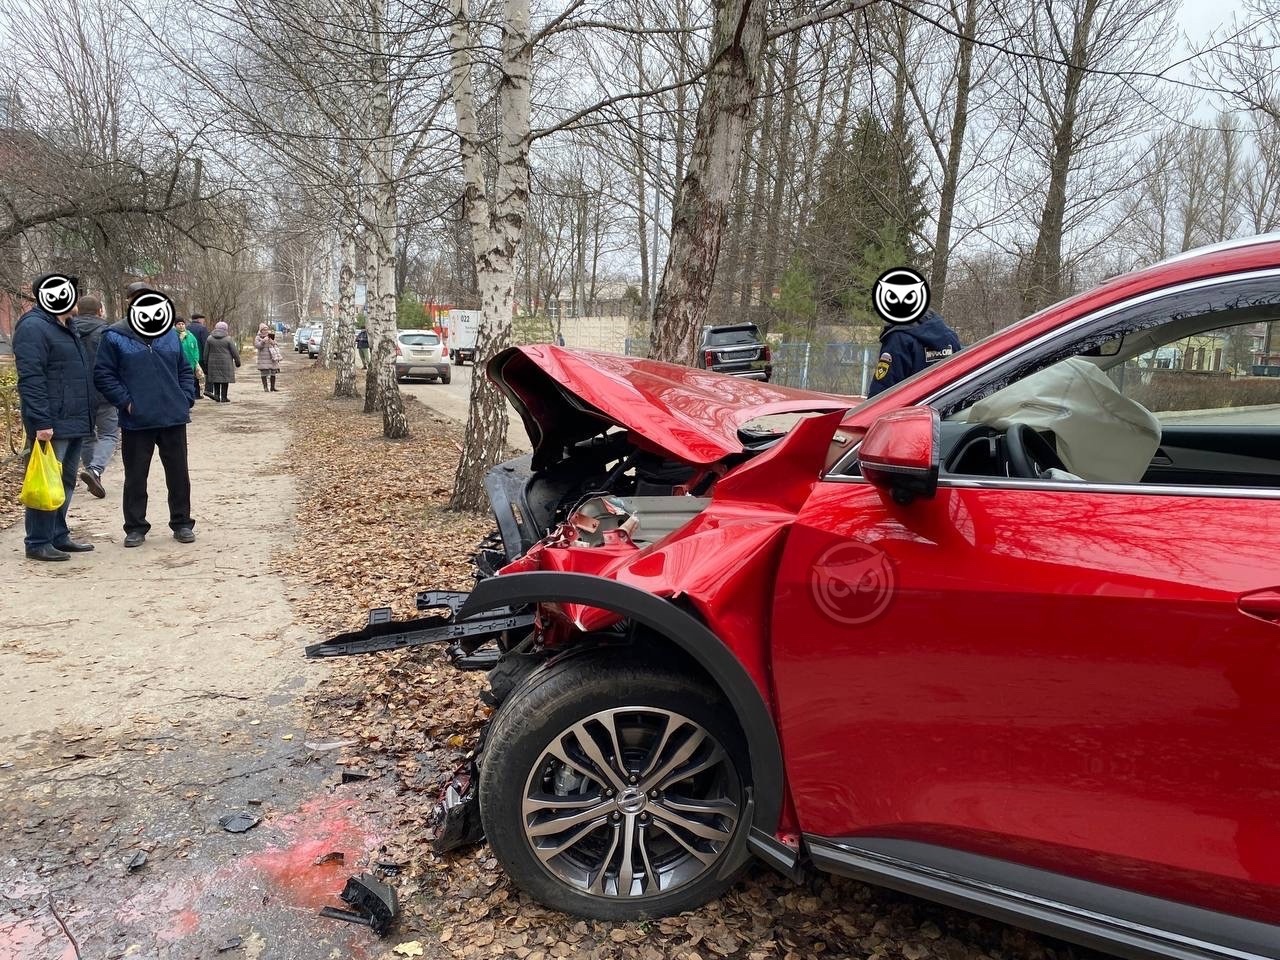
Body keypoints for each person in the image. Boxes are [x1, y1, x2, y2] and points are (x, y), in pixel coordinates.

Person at [94, 285, 198, 547]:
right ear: (129, 303)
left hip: (173, 417)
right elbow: (103, 374)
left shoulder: (169, 334)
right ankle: (135, 527)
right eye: (138, 299)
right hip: (137, 420)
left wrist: (185, 397)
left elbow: (184, 368)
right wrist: (126, 402)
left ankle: (182, 522)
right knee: (136, 475)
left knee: (178, 473)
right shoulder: (115, 335)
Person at [13, 273, 95, 561]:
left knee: (65, 481)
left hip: (73, 419)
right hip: (52, 421)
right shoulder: (34, 327)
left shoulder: (67, 327)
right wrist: (41, 422)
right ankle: (38, 541)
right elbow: (31, 377)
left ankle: (58, 535)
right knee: (45, 480)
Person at [70, 294, 121, 500]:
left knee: (87, 435)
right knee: (109, 434)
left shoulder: (67, 330)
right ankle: (95, 469)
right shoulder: (108, 332)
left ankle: (93, 473)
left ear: (78, 310)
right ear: (100, 310)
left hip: (78, 393)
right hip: (104, 391)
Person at [867, 308, 963, 398]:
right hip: (947, 410)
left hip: (909, 412)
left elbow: (882, 393)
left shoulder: (898, 339)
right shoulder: (950, 337)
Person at [203, 320, 241, 402]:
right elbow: (234, 352)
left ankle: (216, 395)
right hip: (226, 363)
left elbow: (206, 353)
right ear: (226, 329)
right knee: (224, 380)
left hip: (212, 363)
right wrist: (238, 362)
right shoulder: (228, 339)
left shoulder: (209, 338)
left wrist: (205, 363)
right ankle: (224, 397)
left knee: (216, 379)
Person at [177, 319, 203, 396]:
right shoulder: (173, 335)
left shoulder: (190, 335)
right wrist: (180, 339)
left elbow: (195, 348)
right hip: (179, 363)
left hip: (191, 363)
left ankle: (191, 395)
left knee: (191, 380)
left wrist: (196, 360)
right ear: (175, 326)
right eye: (179, 324)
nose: (181, 326)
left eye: (182, 324)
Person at [187, 312, 211, 396]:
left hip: (189, 356)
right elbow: (206, 343)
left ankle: (192, 392)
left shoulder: (187, 328)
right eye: (203, 319)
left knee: (191, 374)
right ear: (199, 319)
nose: (203, 321)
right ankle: (200, 393)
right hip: (200, 356)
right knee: (200, 374)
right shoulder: (203, 329)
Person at [255, 327, 282, 391]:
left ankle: (272, 387)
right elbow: (258, 346)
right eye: (264, 330)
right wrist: (263, 341)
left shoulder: (270, 336)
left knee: (273, 371)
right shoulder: (258, 337)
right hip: (263, 358)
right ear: (261, 331)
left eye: (267, 330)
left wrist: (272, 341)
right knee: (264, 372)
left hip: (272, 356)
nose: (266, 331)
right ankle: (265, 387)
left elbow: (275, 345)